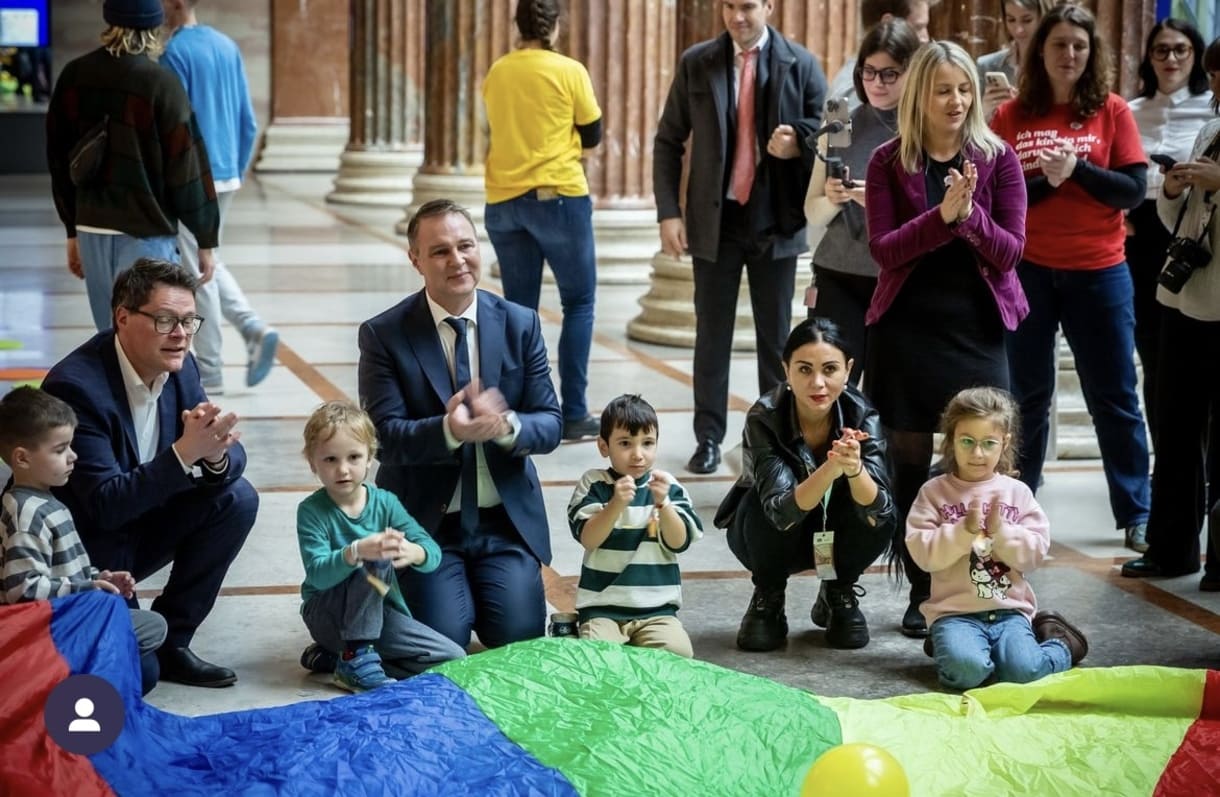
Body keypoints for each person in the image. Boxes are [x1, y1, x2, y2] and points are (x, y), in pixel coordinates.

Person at [865, 40, 1028, 638]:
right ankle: (922, 586)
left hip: (977, 329)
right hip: (908, 330)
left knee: (984, 459)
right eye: (943, 90)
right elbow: (883, 250)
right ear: (919, 96)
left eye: (964, 89)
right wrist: (939, 219)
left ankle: (986, 583)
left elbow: (1011, 252)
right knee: (909, 466)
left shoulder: (999, 158)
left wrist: (968, 217)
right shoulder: (889, 161)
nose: (956, 100)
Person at [41, 258, 258, 688]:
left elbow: (224, 451)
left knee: (238, 498)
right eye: (164, 320)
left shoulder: (182, 368)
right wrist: (183, 455)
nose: (180, 334)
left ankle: (174, 639)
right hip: (87, 550)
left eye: (188, 320)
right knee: (140, 675)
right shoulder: (75, 388)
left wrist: (213, 457)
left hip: (139, 521)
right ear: (123, 317)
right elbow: (104, 505)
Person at [357, 199, 563, 650]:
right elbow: (384, 439)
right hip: (425, 526)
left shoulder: (520, 323)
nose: (458, 260)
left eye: (465, 246)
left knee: (517, 638)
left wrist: (506, 425)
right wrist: (449, 431)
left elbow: (550, 424)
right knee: (443, 644)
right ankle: (367, 615)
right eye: (440, 251)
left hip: (503, 522)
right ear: (416, 260)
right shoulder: (384, 334)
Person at [990, 4, 1152, 553]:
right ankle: (1019, 505)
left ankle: (1137, 512)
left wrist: (1078, 169)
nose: (1069, 55)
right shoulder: (1013, 115)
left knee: (1115, 397)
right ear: (1041, 51)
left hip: (1100, 272)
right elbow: (997, 197)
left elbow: (1132, 189)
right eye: (1059, 44)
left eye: (1079, 45)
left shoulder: (1111, 111)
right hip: (1029, 271)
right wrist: (1052, 180)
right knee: (1027, 399)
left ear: (1092, 53)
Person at [654, 0, 826, 476]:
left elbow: (833, 137)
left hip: (776, 221)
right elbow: (669, 140)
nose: (737, 17)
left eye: (748, 6)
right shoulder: (698, 62)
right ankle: (708, 437)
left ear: (769, 7)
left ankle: (773, 440)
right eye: (728, 6)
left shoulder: (802, 63)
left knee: (776, 341)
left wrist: (799, 143)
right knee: (712, 335)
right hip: (717, 222)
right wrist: (669, 212)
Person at [715, 317, 895, 652]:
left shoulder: (863, 414)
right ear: (786, 369)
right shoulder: (764, 416)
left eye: (830, 369)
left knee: (879, 511)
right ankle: (769, 595)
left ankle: (838, 590)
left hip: (837, 530)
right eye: (804, 369)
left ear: (848, 369)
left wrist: (854, 470)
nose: (818, 383)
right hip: (771, 532)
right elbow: (780, 512)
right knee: (763, 503)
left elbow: (879, 511)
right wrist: (830, 467)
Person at [45, 0, 219, 332]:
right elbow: (187, 166)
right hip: (146, 230)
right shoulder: (160, 83)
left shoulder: (75, 76)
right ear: (155, 28)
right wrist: (205, 238)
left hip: (92, 226)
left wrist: (72, 229)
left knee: (110, 336)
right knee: (153, 338)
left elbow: (58, 160)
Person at [906, 386, 1088, 690]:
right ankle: (954, 648)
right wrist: (962, 533)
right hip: (954, 614)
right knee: (966, 673)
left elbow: (1033, 555)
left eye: (988, 443)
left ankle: (1062, 645)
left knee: (1025, 673)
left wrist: (1002, 532)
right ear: (951, 440)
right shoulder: (934, 492)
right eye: (967, 441)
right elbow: (923, 555)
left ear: (1004, 443)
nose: (977, 453)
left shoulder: (1018, 493)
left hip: (1009, 612)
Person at [1122, 38, 1220, 590]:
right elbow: (1181, 213)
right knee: (1175, 425)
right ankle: (1172, 548)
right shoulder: (1210, 128)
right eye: (1216, 73)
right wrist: (1176, 190)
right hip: (1183, 297)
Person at [482, 0, 602, 441]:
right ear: (555, 26)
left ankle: (522, 407)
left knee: (519, 310)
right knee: (579, 303)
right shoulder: (569, 70)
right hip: (557, 196)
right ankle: (572, 413)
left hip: (504, 200)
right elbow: (593, 133)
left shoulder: (498, 71)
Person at [0, 386, 167, 695]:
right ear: (22, 458)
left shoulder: (47, 501)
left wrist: (100, 577)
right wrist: (86, 589)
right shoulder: (26, 512)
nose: (73, 456)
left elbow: (63, 571)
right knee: (146, 647)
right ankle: (64, 675)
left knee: (147, 645)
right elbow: (22, 591)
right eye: (60, 449)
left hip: (67, 618)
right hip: (48, 632)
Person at [295, 400, 466, 692]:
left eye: (353, 457)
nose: (343, 469)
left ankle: (340, 659)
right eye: (330, 460)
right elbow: (318, 575)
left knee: (452, 657)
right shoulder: (311, 511)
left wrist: (415, 552)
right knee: (376, 555)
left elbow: (432, 552)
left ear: (369, 458)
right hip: (325, 613)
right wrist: (356, 551)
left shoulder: (385, 502)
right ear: (312, 462)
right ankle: (355, 655)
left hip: (375, 614)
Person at [161, 0, 279, 394]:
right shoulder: (227, 46)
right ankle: (251, 328)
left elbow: (175, 128)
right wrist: (235, 168)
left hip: (193, 178)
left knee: (198, 269)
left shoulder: (174, 53)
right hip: (226, 171)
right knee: (206, 259)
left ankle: (210, 369)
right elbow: (247, 118)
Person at [804, 18, 920, 382]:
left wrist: (878, 201)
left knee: (891, 392)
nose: (877, 83)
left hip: (897, 276)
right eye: (869, 72)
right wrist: (836, 198)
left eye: (890, 74)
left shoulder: (921, 129)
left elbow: (931, 212)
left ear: (911, 72)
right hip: (837, 272)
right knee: (833, 386)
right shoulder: (840, 119)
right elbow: (813, 210)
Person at [1125, 19, 1212, 446]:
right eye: (1161, 50)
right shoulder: (1132, 109)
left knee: (1196, 351)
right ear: (1149, 57)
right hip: (1140, 235)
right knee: (1153, 353)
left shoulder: (1211, 107)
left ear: (1195, 56)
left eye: (1181, 49)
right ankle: (1166, 454)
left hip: (1197, 233)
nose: (1171, 58)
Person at [567, 394, 703, 658]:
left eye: (647, 443)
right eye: (625, 443)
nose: (638, 454)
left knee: (679, 655)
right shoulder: (594, 484)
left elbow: (679, 542)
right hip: (603, 607)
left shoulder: (668, 486)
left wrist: (663, 505)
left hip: (657, 610)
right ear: (604, 446)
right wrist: (616, 504)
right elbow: (589, 539)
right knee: (597, 658)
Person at [825, 1, 932, 114]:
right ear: (888, 23)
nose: (926, 38)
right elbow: (839, 129)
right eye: (919, 27)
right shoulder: (848, 95)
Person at [977, 0, 1054, 120]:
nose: (1018, 30)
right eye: (1011, 20)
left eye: (1027, 20)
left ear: (1043, 18)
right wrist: (984, 111)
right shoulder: (986, 65)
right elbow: (972, 131)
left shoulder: (1057, 66)